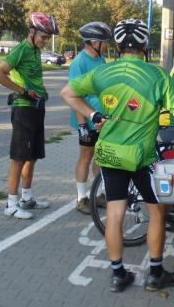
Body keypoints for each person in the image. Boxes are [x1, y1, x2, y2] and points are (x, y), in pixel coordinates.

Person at [60, 18, 174, 293]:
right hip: (142, 158)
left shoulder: (103, 72)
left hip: (110, 154)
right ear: (144, 45)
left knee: (115, 213)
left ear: (117, 45)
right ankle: (156, 274)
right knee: (157, 211)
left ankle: (117, 275)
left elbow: (67, 93)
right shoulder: (157, 75)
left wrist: (93, 114)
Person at [0, 12, 59, 219]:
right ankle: (11, 204)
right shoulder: (21, 50)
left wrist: (41, 91)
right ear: (32, 32)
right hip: (23, 109)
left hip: (36, 108)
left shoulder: (35, 51)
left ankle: (27, 198)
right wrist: (22, 91)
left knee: (32, 156)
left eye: (47, 38)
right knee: (19, 158)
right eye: (43, 37)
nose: (45, 41)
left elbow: (32, 78)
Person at [68, 22, 111, 214]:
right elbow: (74, 95)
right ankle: (81, 198)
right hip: (86, 119)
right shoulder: (79, 62)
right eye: (105, 42)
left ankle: (100, 194)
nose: (107, 45)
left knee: (101, 157)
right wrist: (82, 125)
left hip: (101, 119)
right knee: (86, 157)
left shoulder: (101, 60)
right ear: (94, 42)